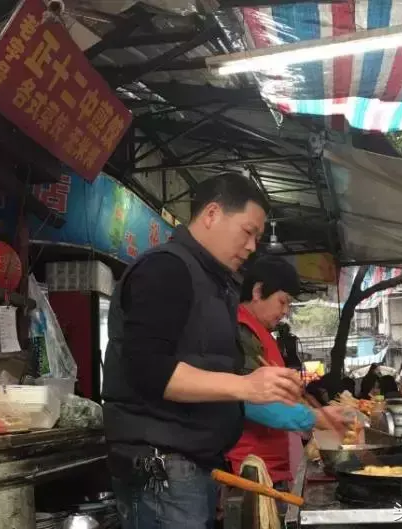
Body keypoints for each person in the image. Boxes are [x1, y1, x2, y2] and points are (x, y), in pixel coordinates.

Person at [102, 173, 304, 529]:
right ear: (212, 214)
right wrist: (245, 386)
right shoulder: (167, 268)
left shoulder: (213, 281)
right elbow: (148, 370)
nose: (252, 245)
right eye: (248, 231)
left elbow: (206, 369)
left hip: (194, 466)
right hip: (162, 470)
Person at [227, 256, 346, 508]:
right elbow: (251, 401)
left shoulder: (261, 334)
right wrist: (314, 417)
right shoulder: (241, 331)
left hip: (270, 469)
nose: (284, 311)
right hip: (249, 470)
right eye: (282, 301)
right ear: (258, 291)